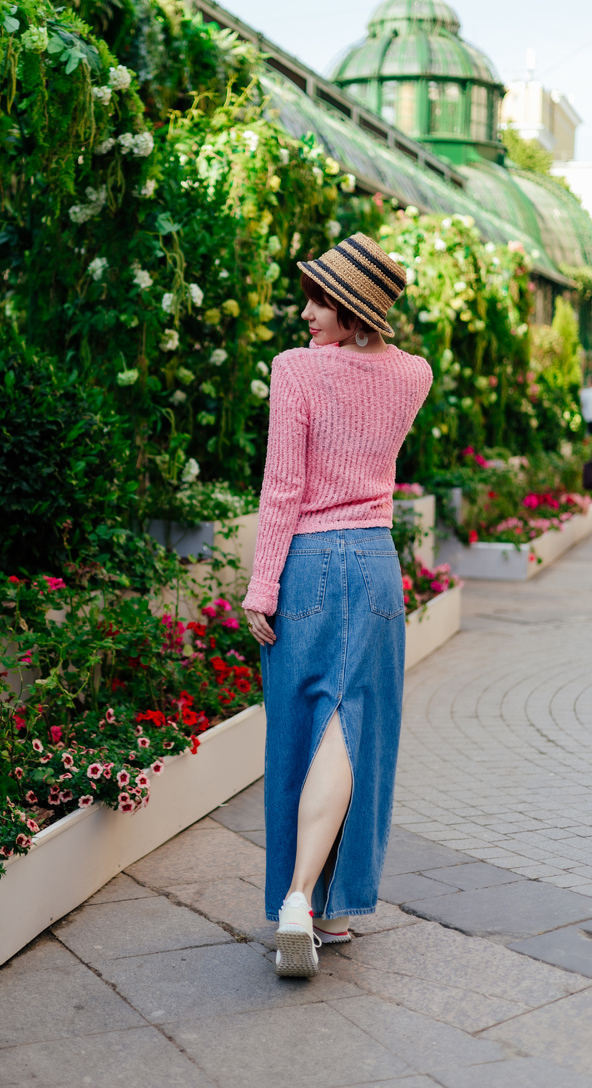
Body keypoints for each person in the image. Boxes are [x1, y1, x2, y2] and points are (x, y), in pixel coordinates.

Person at [242, 232, 432, 978]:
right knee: (356, 733)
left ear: (353, 311)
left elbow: (282, 485)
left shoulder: (296, 372)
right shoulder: (412, 375)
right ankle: (333, 908)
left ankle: (295, 899)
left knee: (307, 730)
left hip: (310, 568)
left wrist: (262, 585)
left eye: (320, 300)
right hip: (378, 567)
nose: (305, 312)